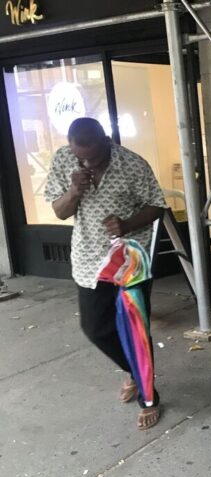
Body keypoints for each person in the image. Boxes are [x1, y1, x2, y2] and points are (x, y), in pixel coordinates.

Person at [44, 117, 166, 430]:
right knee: (95, 328)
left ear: (106, 141)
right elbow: (60, 211)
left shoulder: (132, 164)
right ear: (71, 147)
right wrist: (74, 191)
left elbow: (157, 205)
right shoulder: (63, 160)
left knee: (136, 330)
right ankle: (135, 370)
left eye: (94, 157)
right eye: (81, 156)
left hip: (130, 261)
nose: (87, 162)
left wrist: (128, 224)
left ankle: (149, 397)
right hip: (89, 261)